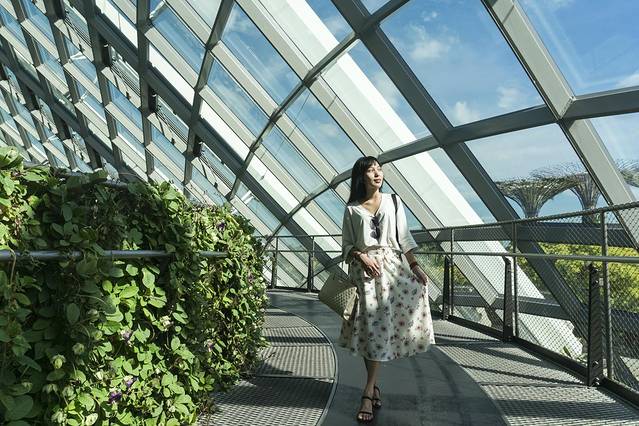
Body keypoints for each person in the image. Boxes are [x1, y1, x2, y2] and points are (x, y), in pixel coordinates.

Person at [338, 156, 436, 423]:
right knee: (370, 330)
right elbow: (346, 245)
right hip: (364, 273)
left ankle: (368, 392)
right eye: (371, 170)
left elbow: (403, 238)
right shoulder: (352, 209)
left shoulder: (393, 201)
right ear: (361, 177)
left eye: (379, 169)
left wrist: (415, 266)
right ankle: (371, 389)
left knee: (378, 329)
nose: (377, 174)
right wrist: (361, 256)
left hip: (391, 270)